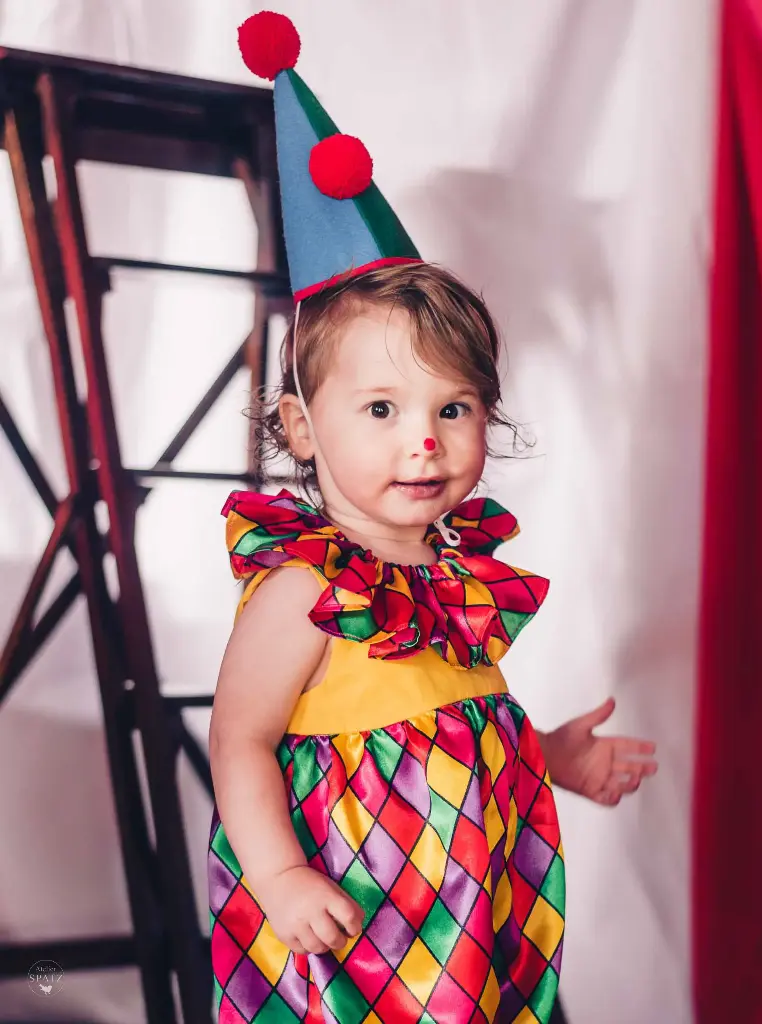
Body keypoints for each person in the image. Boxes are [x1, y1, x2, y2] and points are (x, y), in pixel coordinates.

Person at [208, 12, 657, 1023]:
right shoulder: (305, 589)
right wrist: (279, 877)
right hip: (363, 928)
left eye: (452, 409)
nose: (426, 440)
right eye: (382, 410)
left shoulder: (450, 578)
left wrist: (550, 753)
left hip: (470, 911)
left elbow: (453, 730)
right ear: (301, 426)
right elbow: (239, 739)